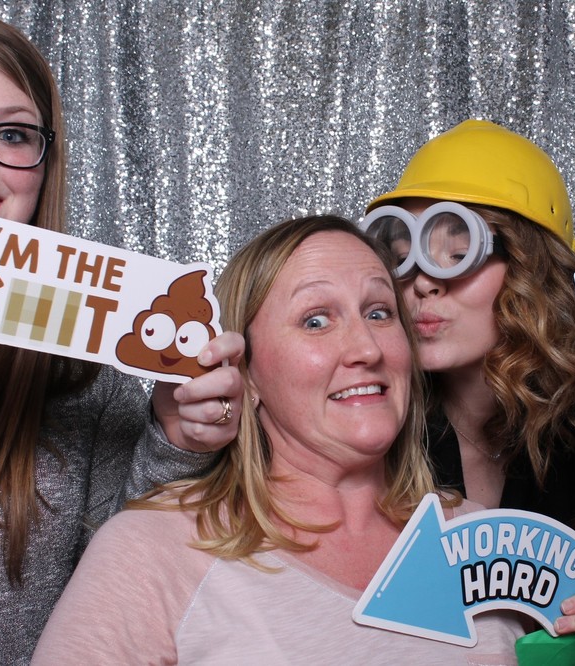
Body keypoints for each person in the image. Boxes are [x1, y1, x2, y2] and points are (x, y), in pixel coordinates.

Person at [0, 13, 243, 664]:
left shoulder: (82, 373)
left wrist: (179, 442)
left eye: (13, 135)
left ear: (43, 165)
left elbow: (129, 586)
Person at [32, 215, 528, 662]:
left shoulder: (490, 541)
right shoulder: (152, 549)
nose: (366, 348)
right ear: (244, 373)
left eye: (379, 313)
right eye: (316, 320)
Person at [363, 119, 575, 522]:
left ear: (533, 270)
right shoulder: (369, 425)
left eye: (459, 255)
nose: (423, 282)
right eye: (403, 256)